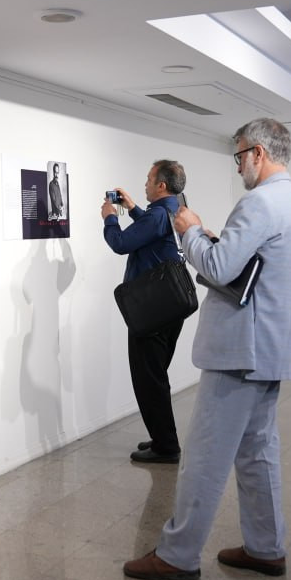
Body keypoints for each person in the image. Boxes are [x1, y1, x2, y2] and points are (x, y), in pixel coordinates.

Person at [123, 118, 291, 580]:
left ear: (259, 153)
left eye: (239, 156)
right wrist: (212, 242)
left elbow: (219, 268)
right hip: (269, 349)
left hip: (239, 353)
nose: (238, 166)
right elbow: (250, 269)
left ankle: (177, 554)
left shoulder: (259, 203)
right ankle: (266, 547)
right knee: (257, 452)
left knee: (206, 456)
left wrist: (192, 231)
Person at [101, 159, 188, 464]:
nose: (145, 184)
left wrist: (110, 218)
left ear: (161, 185)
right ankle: (163, 437)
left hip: (152, 312)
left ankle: (166, 446)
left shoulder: (158, 215)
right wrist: (134, 209)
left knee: (149, 379)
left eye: (149, 180)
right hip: (172, 306)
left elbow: (121, 243)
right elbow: (154, 230)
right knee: (156, 375)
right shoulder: (176, 209)